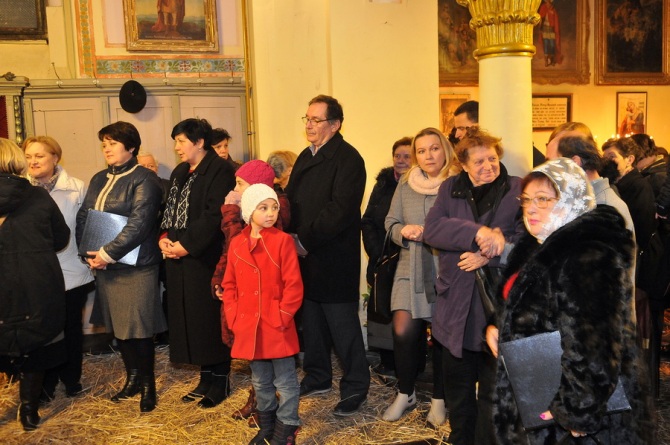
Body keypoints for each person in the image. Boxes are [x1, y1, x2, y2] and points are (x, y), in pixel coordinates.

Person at [487, 158, 654, 444]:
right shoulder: (537, 243)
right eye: (526, 199)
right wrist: (497, 324)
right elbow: (519, 300)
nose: (531, 208)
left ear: (571, 199)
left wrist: (577, 410)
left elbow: (594, 343)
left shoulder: (588, 254)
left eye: (543, 199)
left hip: (577, 414)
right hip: (540, 391)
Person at [423, 127, 524, 445]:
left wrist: (490, 255)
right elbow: (433, 230)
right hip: (456, 306)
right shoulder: (450, 188)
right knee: (459, 393)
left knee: (494, 395)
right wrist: (477, 234)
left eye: (492, 158)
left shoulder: (517, 188)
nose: (487, 166)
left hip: (496, 306)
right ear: (463, 164)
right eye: (478, 161)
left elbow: (527, 240)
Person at [285, 94, 370, 416]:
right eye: (307, 118)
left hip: (333, 257)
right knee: (312, 324)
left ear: (334, 125)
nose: (309, 125)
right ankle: (318, 376)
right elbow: (291, 200)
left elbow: (340, 210)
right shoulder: (306, 155)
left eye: (316, 120)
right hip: (303, 255)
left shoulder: (349, 159)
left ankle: (356, 386)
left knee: (343, 328)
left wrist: (304, 240)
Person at [76, 122, 166, 413]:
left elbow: (140, 224)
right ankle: (133, 380)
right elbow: (84, 216)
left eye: (113, 143)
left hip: (136, 267)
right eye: (104, 143)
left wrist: (106, 253)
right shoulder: (99, 178)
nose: (107, 148)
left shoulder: (145, 178)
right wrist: (87, 253)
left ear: (131, 146)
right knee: (120, 329)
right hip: (107, 267)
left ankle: (148, 386)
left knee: (138, 329)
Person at [381, 129, 459, 425]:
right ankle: (406, 393)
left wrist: (438, 234)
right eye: (422, 150)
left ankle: (439, 399)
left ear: (445, 150)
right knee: (403, 331)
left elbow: (465, 225)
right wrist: (402, 230)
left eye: (434, 148)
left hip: (445, 267)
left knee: (441, 336)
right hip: (409, 264)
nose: (428, 155)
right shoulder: (406, 182)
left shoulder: (457, 182)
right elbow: (390, 221)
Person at [159, 118, 236, 409]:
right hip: (179, 258)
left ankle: (221, 380)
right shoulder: (180, 171)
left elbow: (215, 215)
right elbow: (168, 210)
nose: (177, 147)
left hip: (206, 258)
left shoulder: (221, 170)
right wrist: (164, 238)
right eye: (176, 142)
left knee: (209, 320)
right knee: (190, 319)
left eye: (181, 141)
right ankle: (205, 379)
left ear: (200, 142)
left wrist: (187, 245)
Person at [209, 159, 290, 425]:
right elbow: (231, 251)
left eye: (240, 184)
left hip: (264, 301)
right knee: (255, 356)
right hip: (243, 296)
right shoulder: (246, 214)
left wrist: (231, 212)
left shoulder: (271, 214)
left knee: (269, 357)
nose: (235, 189)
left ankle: (267, 406)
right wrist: (221, 280)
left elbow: (237, 238)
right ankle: (259, 400)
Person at [222, 184, 303, 445]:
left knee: (286, 380)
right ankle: (267, 426)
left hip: (276, 324)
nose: (270, 213)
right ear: (249, 211)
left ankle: (287, 427)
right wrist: (234, 317)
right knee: (260, 380)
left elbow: (294, 285)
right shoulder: (237, 244)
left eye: (274, 207)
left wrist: (282, 316)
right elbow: (229, 284)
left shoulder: (282, 241)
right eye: (263, 207)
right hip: (249, 325)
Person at [0, 138, 69, 431]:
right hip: (36, 280)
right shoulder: (39, 197)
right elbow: (61, 238)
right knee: (36, 342)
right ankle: (28, 411)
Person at [23, 136, 94, 403]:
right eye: (28, 156)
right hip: (36, 275)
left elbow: (85, 228)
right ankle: (46, 384)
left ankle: (72, 379)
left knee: (71, 329)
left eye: (39, 156)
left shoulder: (76, 188)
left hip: (72, 272)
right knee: (44, 333)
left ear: (55, 157)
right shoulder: (21, 190)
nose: (33, 161)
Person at [361, 136, 412, 377]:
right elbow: (368, 221)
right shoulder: (382, 185)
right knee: (382, 312)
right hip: (382, 260)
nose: (401, 160)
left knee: (407, 317)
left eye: (407, 156)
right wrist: (376, 252)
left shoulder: (420, 186)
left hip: (408, 260)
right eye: (397, 156)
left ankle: (408, 366)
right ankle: (387, 363)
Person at [538, 0, 562, 67]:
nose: (547, 2)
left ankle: (552, 59)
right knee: (546, 43)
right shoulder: (543, 7)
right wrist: (540, 26)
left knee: (552, 44)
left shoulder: (552, 8)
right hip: (545, 27)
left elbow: (555, 19)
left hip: (551, 28)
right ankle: (546, 60)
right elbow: (540, 18)